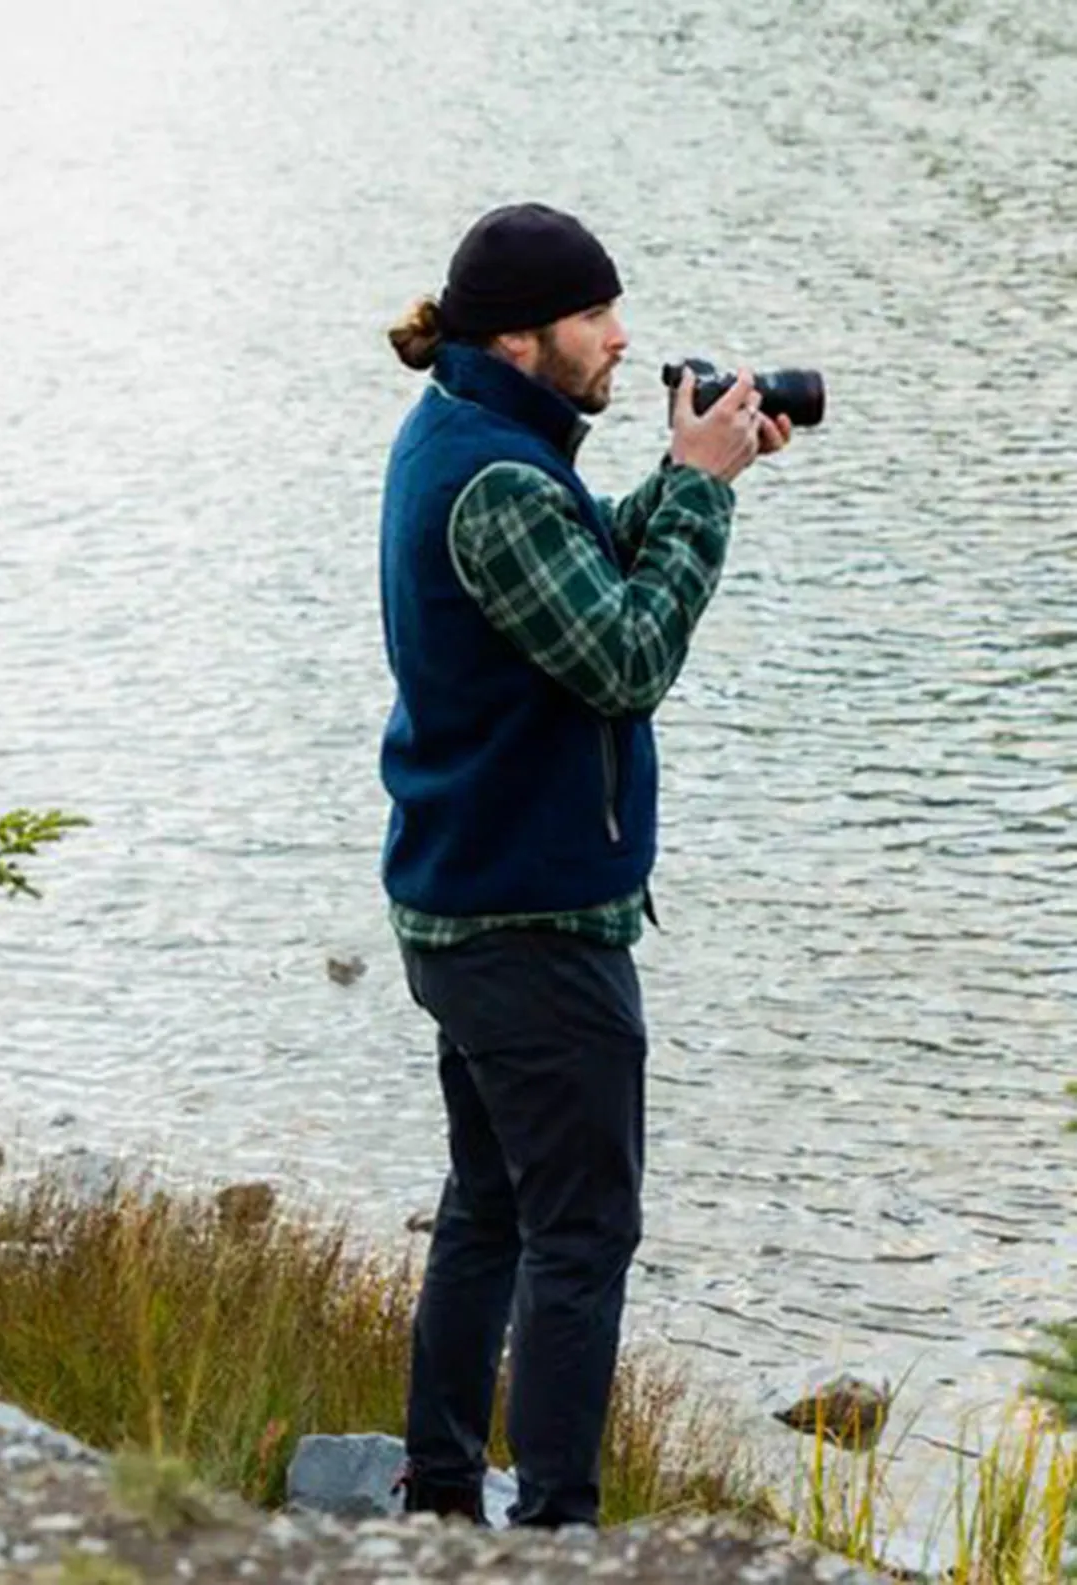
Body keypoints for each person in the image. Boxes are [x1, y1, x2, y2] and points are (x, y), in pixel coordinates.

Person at [377, 201, 790, 1529]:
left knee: (492, 1207)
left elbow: (564, 565)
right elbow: (622, 660)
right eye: (598, 317)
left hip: (470, 899)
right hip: (530, 920)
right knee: (579, 1237)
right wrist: (702, 504)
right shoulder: (496, 475)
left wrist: (684, 474)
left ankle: (440, 1503)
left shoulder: (477, 442)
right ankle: (554, 1535)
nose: (622, 340)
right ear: (525, 332)